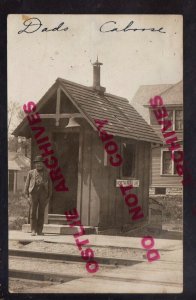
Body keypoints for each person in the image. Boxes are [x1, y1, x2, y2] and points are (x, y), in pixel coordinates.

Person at [24, 155, 52, 236]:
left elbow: (50, 186)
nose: (39, 165)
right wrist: (27, 196)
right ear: (35, 164)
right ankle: (33, 230)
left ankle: (39, 231)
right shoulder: (31, 173)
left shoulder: (47, 173)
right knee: (32, 212)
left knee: (41, 212)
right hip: (33, 194)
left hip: (43, 194)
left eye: (40, 163)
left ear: (43, 164)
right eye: (37, 163)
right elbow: (26, 185)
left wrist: (49, 197)